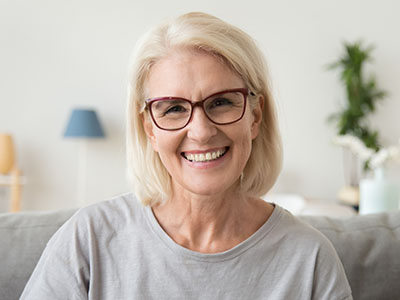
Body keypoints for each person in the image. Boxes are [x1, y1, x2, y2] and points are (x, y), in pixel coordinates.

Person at [21, 12, 352, 299]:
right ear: (149, 128)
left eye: (221, 102)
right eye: (174, 108)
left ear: (255, 116)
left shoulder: (309, 259)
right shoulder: (89, 239)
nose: (201, 131)